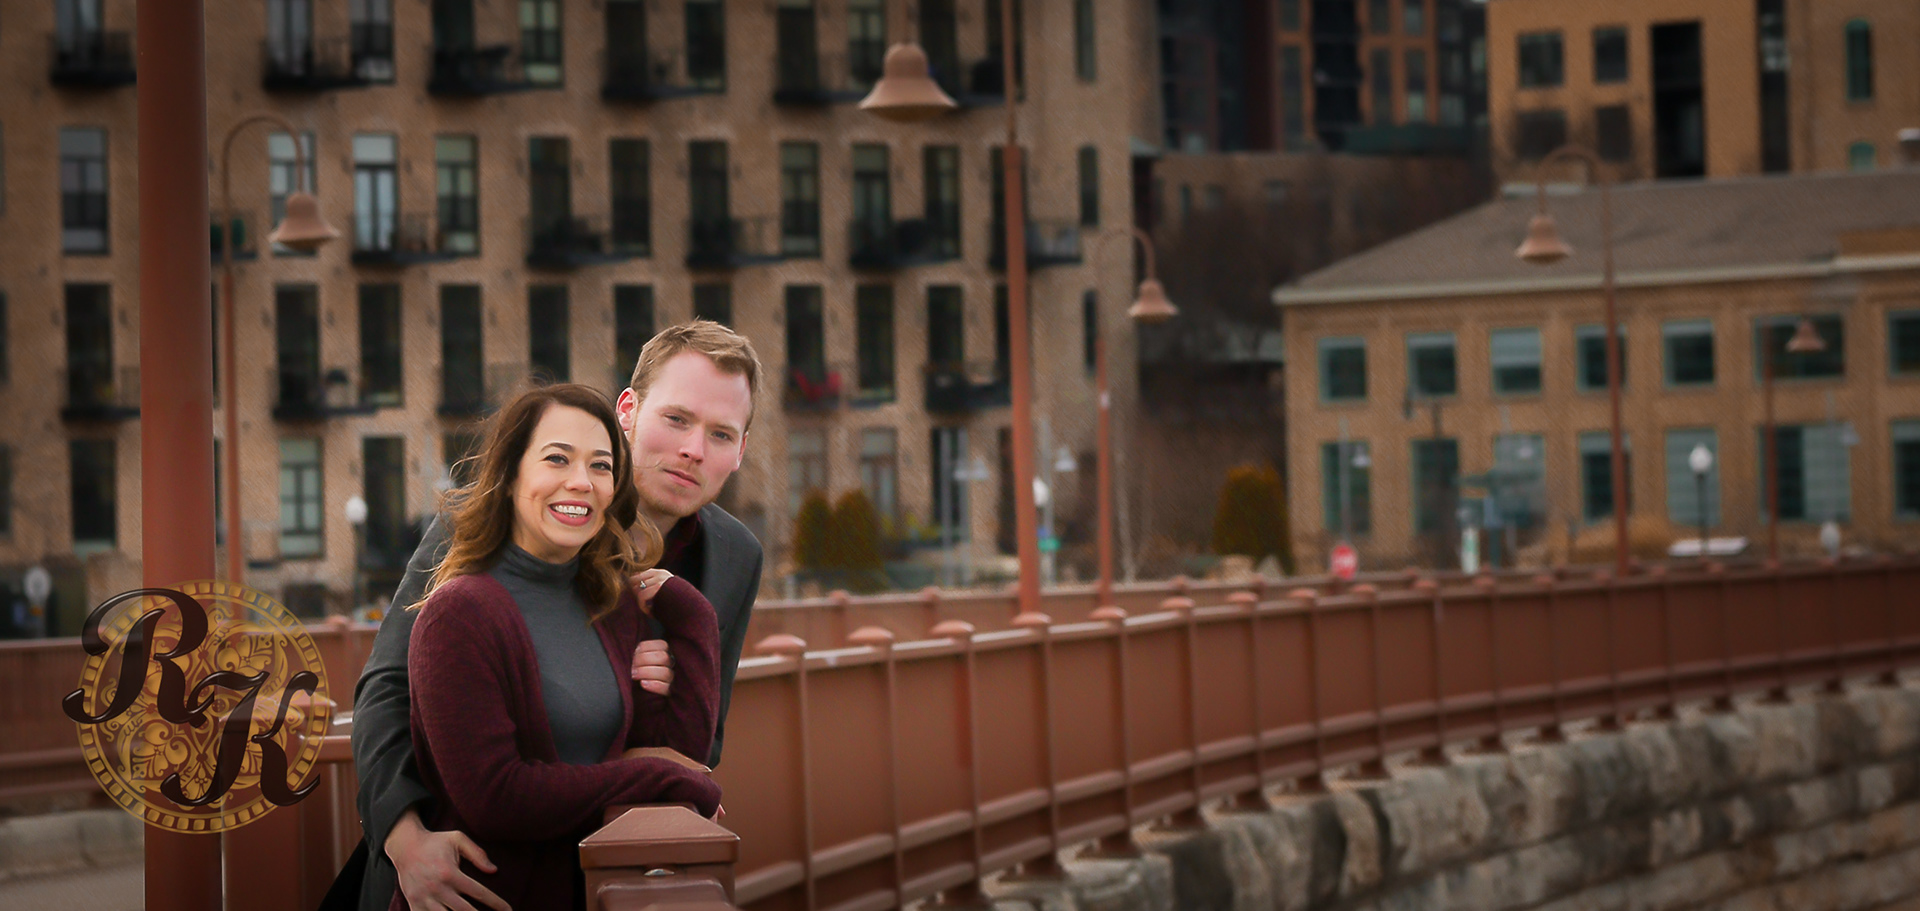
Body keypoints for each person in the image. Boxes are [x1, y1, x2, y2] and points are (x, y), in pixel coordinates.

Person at [352, 321, 763, 911]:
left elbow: (699, 744)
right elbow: (390, 685)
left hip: (607, 873)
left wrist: (671, 685)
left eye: (721, 433)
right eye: (676, 419)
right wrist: (403, 836)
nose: (694, 449)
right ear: (628, 412)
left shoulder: (734, 556)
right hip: (455, 872)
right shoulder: (487, 520)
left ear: (741, 450)